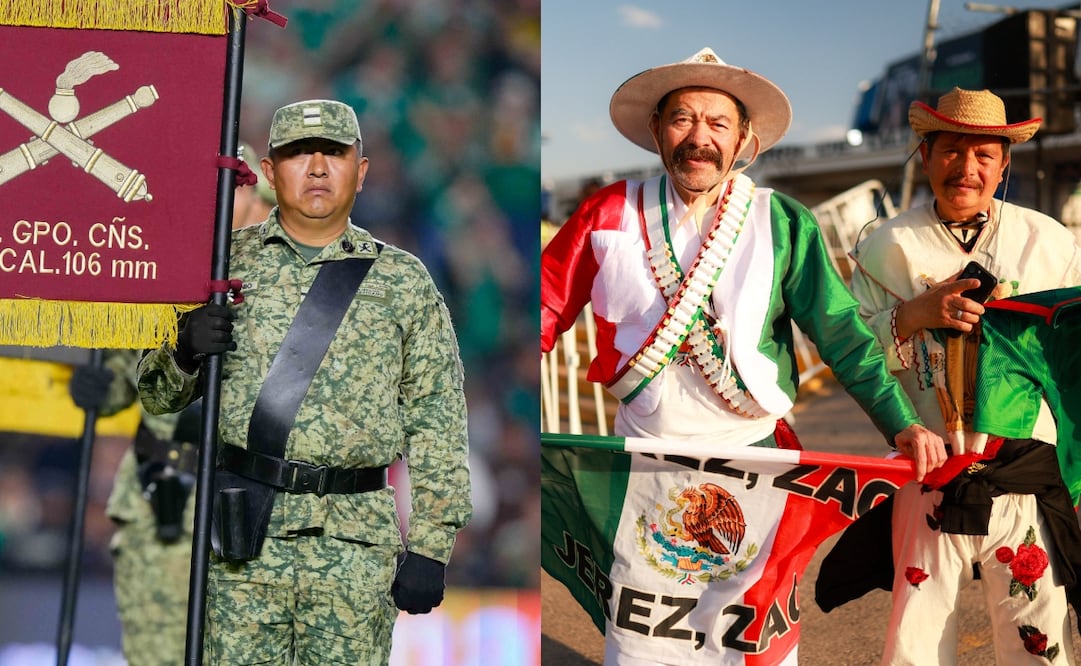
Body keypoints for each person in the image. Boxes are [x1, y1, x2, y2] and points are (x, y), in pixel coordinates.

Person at [540, 47, 942, 666]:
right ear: (656, 131)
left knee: (749, 639)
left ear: (745, 139)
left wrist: (903, 423)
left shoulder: (779, 221)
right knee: (646, 640)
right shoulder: (607, 213)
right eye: (682, 119)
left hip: (754, 459)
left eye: (717, 123)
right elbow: (539, 312)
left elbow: (840, 334)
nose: (698, 139)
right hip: (646, 463)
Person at [137, 99, 472, 663]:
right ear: (270, 172)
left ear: (360, 171)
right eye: (297, 153)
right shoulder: (219, 268)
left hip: (355, 548)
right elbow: (156, 394)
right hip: (242, 540)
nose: (317, 167)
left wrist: (433, 545)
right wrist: (186, 349)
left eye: (334, 153)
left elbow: (437, 416)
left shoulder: (403, 279)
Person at [844, 87, 1081, 664]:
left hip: (1026, 470)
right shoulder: (886, 246)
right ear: (925, 155)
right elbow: (849, 350)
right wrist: (910, 316)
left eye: (983, 154)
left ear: (1004, 163)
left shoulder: (1048, 241)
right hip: (926, 468)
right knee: (917, 641)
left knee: (1038, 638)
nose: (966, 168)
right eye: (951, 150)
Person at [64, 153, 275, 665]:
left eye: (239, 191)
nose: (225, 204)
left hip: (251, 506)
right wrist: (98, 386)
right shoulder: (158, 274)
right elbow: (123, 375)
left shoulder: (282, 283)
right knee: (157, 654)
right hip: (164, 500)